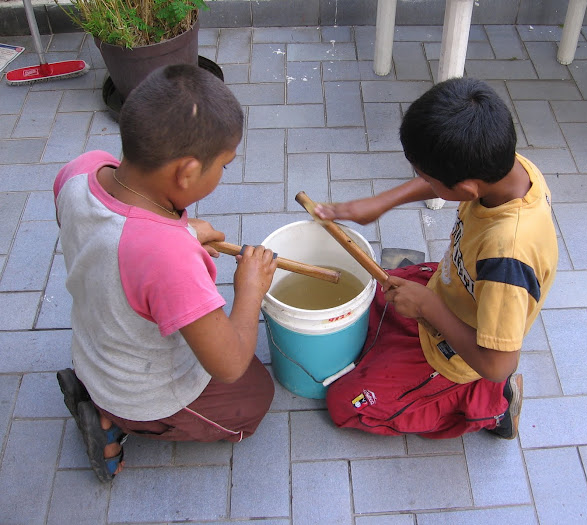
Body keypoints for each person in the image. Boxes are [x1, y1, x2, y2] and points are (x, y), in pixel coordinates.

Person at [54, 64, 277, 482]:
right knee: (254, 395)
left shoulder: (82, 170)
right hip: (142, 389)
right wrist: (250, 291)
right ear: (188, 171)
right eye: (224, 166)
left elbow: (112, 231)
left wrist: (183, 232)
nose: (223, 174)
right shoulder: (167, 257)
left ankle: (98, 391)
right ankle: (119, 419)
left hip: (93, 346)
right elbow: (228, 364)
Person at [318, 77, 558, 440]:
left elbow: (497, 363)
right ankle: (419, 322)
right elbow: (445, 179)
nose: (421, 180)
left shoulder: (508, 258)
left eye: (425, 176)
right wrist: (381, 202)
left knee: (344, 403)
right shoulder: (507, 167)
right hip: (451, 289)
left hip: (461, 354)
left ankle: (491, 407)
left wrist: (428, 307)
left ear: (465, 190)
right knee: (367, 296)